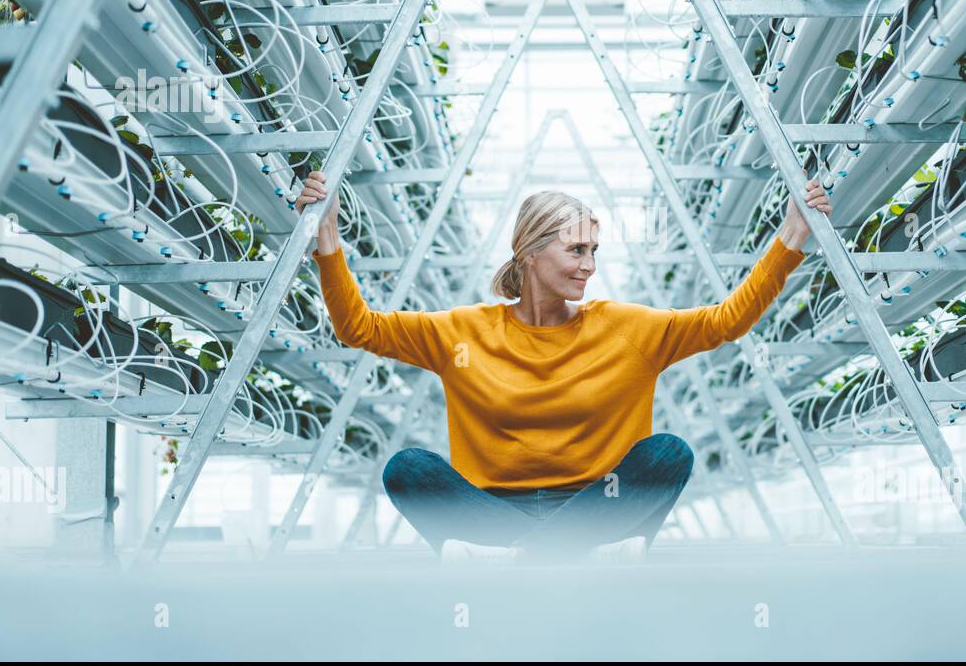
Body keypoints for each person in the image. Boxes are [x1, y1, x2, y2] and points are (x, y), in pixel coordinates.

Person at [295, 170, 832, 564]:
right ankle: (572, 552)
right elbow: (358, 328)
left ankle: (514, 558)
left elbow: (726, 321)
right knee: (408, 468)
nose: (590, 266)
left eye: (594, 250)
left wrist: (792, 236)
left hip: (601, 503)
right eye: (576, 250)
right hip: (497, 510)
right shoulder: (460, 332)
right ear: (529, 252)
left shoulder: (628, 328)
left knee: (669, 454)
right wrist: (326, 237)